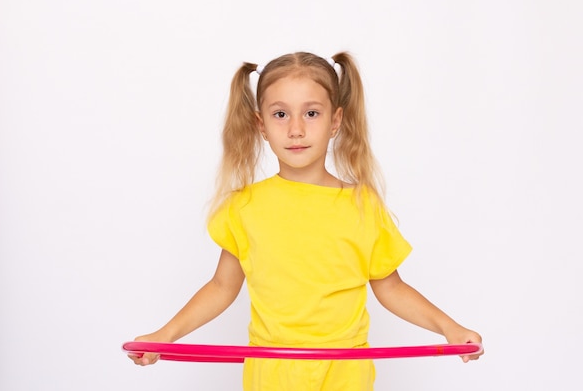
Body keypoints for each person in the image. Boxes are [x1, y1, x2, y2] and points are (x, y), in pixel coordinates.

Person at [129, 51, 483, 390]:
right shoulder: (245, 206)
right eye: (280, 115)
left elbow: (391, 287)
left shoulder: (362, 205)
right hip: (271, 373)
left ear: (336, 121)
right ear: (261, 125)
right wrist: (166, 335)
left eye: (311, 114)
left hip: (345, 375)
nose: (296, 129)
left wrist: (450, 329)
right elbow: (222, 287)